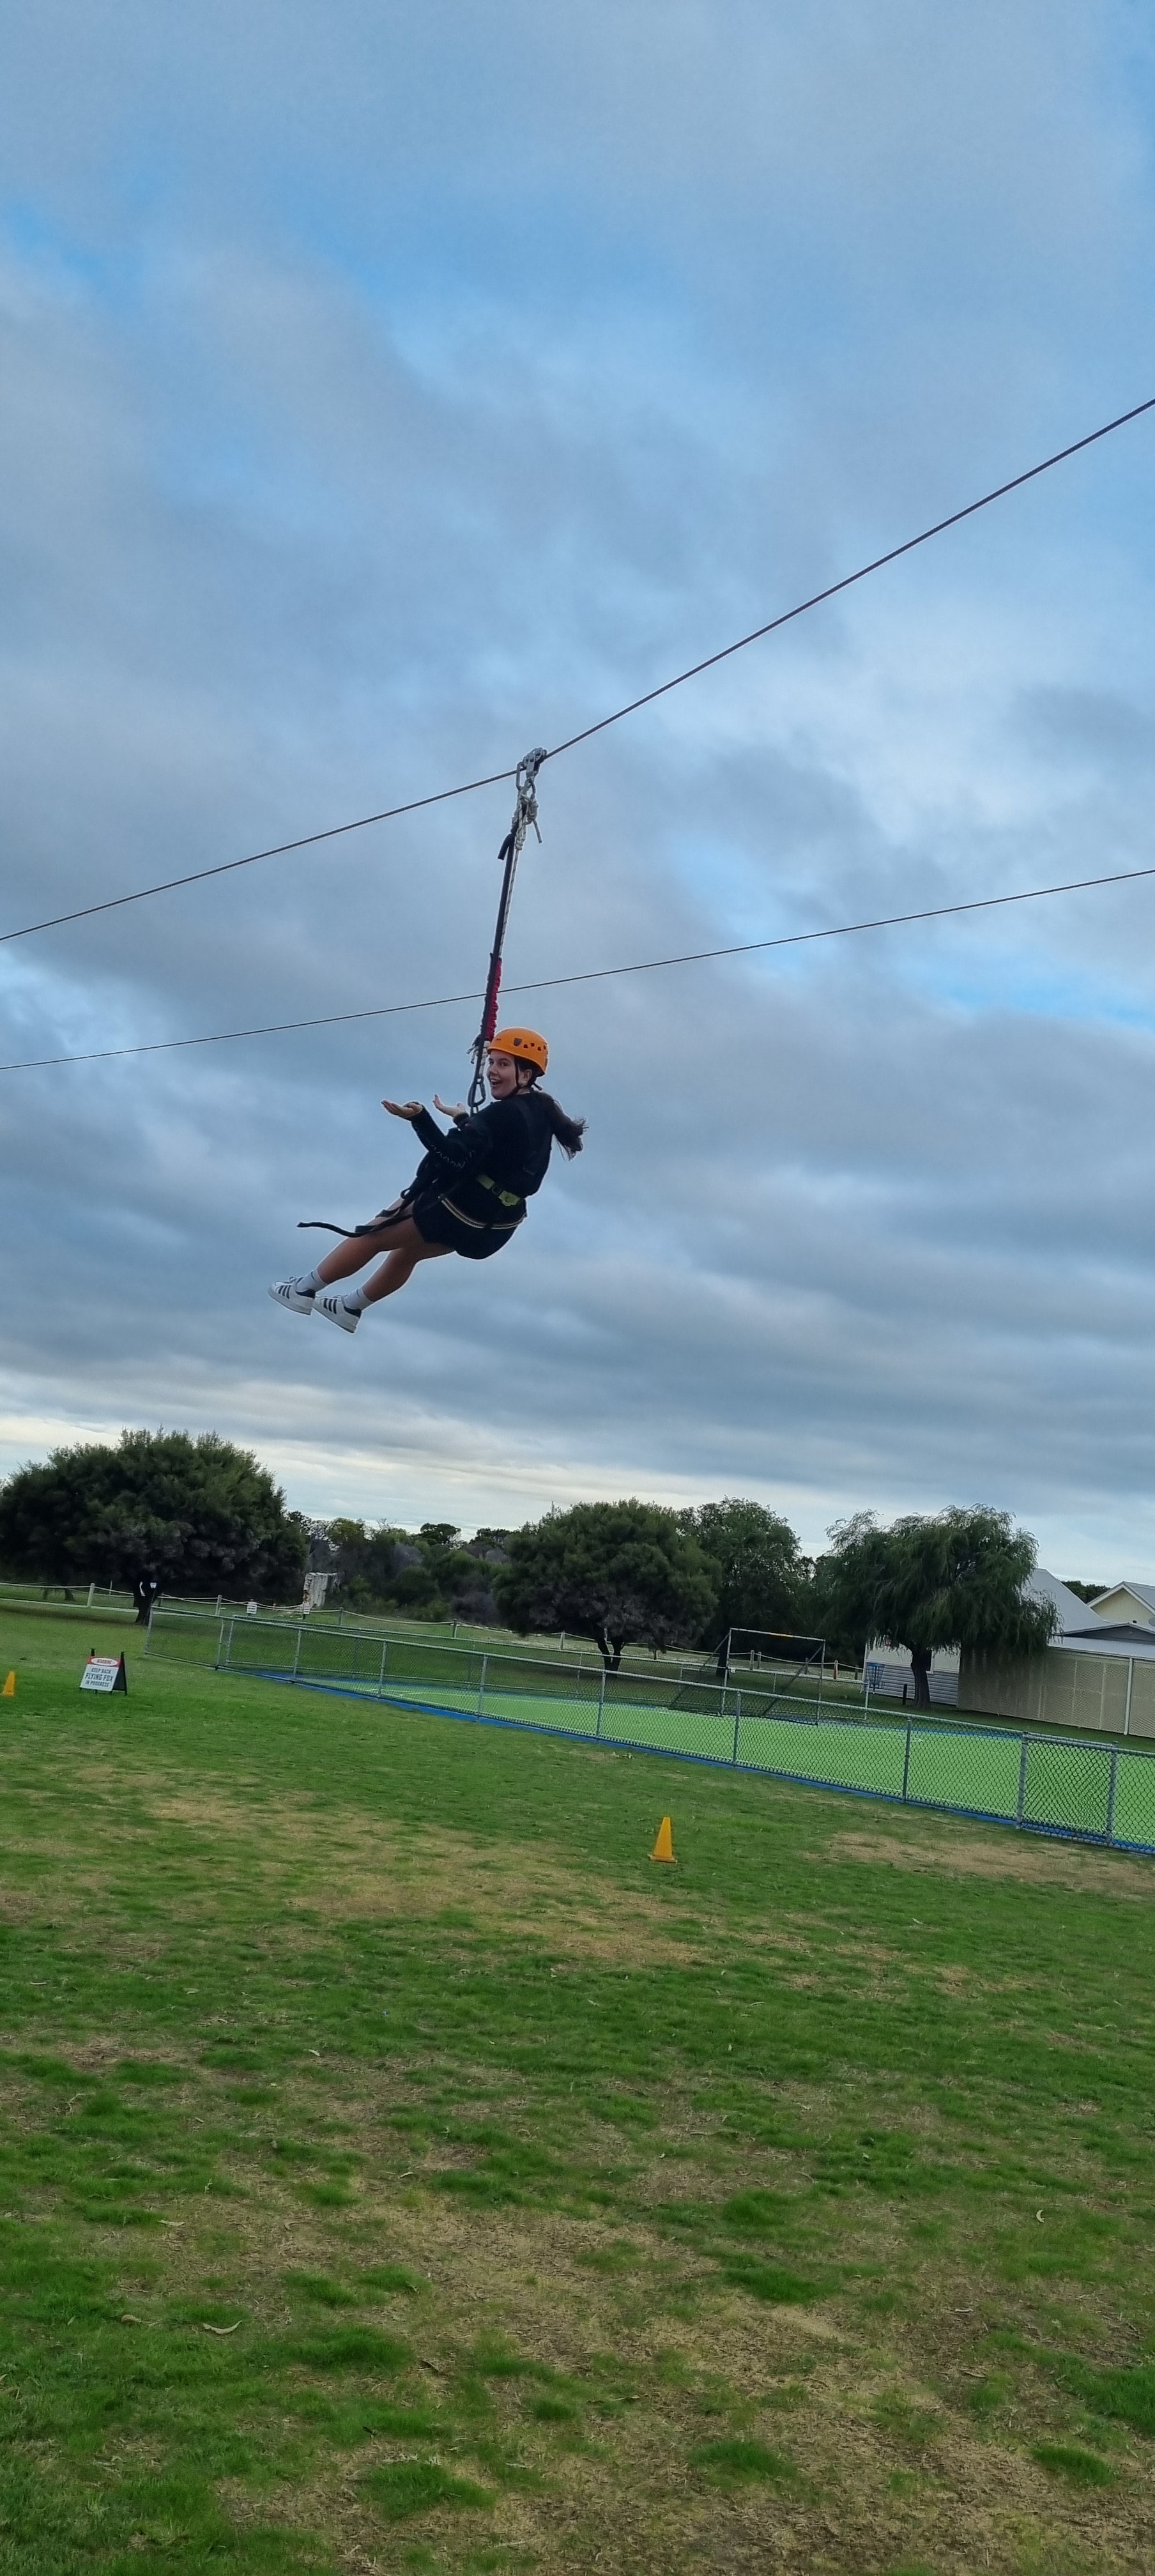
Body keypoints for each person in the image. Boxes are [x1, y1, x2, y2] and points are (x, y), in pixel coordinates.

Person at [269, 1028, 585, 1333]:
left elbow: (451, 1156)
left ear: (526, 1075)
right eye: (491, 1062)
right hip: (496, 1225)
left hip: (463, 1209)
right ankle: (351, 1308)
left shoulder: (502, 1114)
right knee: (408, 1252)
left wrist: (420, 1119)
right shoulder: (543, 1109)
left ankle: (303, 1290)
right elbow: (498, 1147)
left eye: (503, 1064)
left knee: (373, 1234)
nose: (492, 1071)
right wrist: (464, 1120)